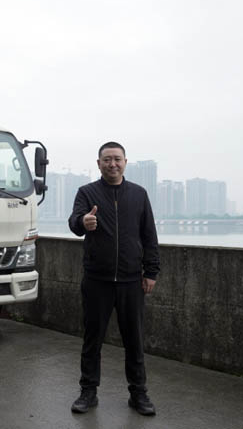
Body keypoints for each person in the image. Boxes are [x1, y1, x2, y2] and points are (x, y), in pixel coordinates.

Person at [68, 141, 160, 416]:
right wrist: (83, 222)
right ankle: (88, 392)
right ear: (99, 164)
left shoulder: (139, 194)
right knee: (92, 339)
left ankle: (138, 393)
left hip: (132, 281)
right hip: (97, 280)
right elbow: (74, 223)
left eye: (117, 159)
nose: (112, 164)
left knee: (134, 340)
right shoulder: (87, 192)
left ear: (125, 162)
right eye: (107, 159)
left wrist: (151, 272)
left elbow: (149, 235)